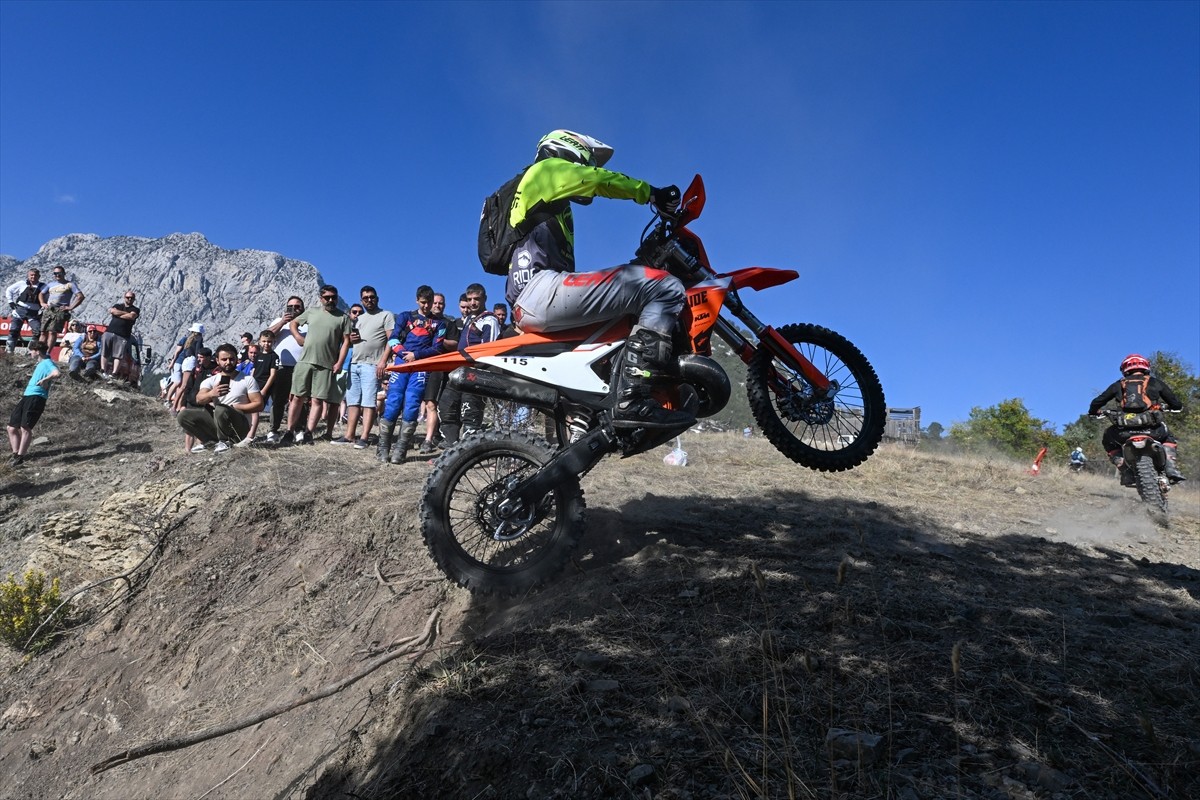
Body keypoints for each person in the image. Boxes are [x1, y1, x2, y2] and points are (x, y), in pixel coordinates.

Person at [504, 129, 693, 429]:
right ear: (567, 150)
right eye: (588, 159)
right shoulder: (545, 170)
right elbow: (599, 181)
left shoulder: (542, 196)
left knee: (622, 313)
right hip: (541, 290)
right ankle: (632, 397)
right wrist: (652, 193)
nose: (592, 166)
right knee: (665, 286)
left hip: (533, 297)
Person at [1088, 353, 1186, 484]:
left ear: (1124, 369)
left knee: (1108, 438)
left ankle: (1124, 469)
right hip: (1153, 430)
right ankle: (1171, 467)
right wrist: (1170, 407)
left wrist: (1095, 412)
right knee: (1168, 437)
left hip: (1123, 433)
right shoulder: (1155, 382)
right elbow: (1176, 404)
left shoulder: (1118, 384)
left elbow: (1097, 402)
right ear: (1145, 366)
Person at [377, 285, 445, 463]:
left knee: (412, 404)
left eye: (429, 302)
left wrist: (417, 355)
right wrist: (402, 353)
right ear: (417, 300)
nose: (426, 306)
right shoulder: (405, 316)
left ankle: (401, 450)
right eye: (423, 302)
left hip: (421, 365)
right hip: (401, 363)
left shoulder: (440, 324)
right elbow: (393, 338)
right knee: (393, 401)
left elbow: (437, 349)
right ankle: (382, 448)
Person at [281, 286, 351, 445]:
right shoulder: (312, 312)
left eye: (334, 297)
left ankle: (308, 433)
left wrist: (339, 362)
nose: (331, 300)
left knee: (317, 400)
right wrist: (298, 337)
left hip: (326, 364)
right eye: (327, 297)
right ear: (321, 298)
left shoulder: (343, 318)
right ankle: (289, 431)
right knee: (297, 397)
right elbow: (293, 323)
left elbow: (346, 342)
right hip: (305, 361)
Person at [437, 283, 500, 448]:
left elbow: (489, 350)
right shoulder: (470, 318)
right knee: (446, 406)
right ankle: (450, 448)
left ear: (484, 299)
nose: (473, 303)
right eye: (470, 299)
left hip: (476, 372)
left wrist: (478, 371)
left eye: (477, 299)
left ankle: (468, 452)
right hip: (459, 371)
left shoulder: (490, 320)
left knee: (470, 412)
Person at [176, 343, 265, 454]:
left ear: (236, 360)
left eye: (231, 359)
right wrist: (212, 394)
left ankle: (225, 441)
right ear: (217, 361)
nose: (228, 362)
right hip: (218, 422)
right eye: (224, 359)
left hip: (239, 426)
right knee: (183, 415)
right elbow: (199, 399)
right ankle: (210, 441)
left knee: (221, 409)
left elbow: (259, 404)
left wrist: (236, 407)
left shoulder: (247, 380)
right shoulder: (210, 381)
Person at [340, 286, 395, 448]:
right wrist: (351, 338)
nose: (369, 300)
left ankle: (364, 437)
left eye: (372, 297)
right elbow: (350, 341)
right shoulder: (359, 319)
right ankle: (349, 435)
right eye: (365, 298)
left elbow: (391, 341)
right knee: (352, 401)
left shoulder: (386, 315)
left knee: (369, 402)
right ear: (361, 300)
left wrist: (383, 362)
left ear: (377, 298)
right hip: (355, 363)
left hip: (372, 364)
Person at [7, 342, 60, 466]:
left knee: (25, 427)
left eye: (31, 350)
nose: (30, 353)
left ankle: (20, 457)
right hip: (27, 396)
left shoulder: (48, 362)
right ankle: (15, 454)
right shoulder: (41, 363)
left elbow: (57, 373)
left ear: (37, 351)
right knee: (11, 427)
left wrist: (45, 380)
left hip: (37, 397)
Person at [264, 297, 305, 443]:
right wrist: (283, 322)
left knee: (298, 399)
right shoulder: (278, 322)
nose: (294, 309)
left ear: (303, 308)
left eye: (297, 306)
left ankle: (298, 429)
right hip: (280, 366)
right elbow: (265, 337)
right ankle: (273, 430)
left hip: (301, 367)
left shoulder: (308, 325)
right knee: (278, 400)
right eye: (290, 306)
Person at [241, 330, 280, 445]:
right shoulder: (258, 355)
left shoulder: (274, 356)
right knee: (248, 409)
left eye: (269, 342)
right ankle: (245, 433)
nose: (266, 344)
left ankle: (251, 435)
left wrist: (264, 390)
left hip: (264, 386)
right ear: (260, 341)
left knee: (255, 410)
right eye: (264, 341)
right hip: (254, 385)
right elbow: (254, 370)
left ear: (273, 342)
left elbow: (273, 375)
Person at [38, 265, 85, 351]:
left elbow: (80, 296)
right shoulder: (50, 284)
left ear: (63, 273)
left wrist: (70, 307)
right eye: (55, 273)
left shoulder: (70, 284)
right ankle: (40, 352)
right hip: (48, 309)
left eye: (59, 273)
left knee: (52, 332)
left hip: (60, 310)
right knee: (43, 332)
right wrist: (42, 303)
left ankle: (47, 353)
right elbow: (41, 293)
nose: (57, 275)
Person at [101, 290, 140, 380]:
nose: (129, 299)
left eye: (131, 298)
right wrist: (125, 314)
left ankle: (114, 374)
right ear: (124, 297)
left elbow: (131, 316)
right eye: (128, 297)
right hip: (109, 332)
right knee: (104, 352)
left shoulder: (135, 309)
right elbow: (112, 311)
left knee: (118, 355)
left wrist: (118, 314)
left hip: (123, 335)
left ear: (134, 299)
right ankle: (103, 370)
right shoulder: (118, 305)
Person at [5, 268, 45, 353]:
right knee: (14, 331)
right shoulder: (21, 283)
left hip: (34, 313)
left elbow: (47, 298)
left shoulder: (43, 286)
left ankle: (30, 351)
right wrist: (10, 301)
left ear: (39, 276)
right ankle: (9, 351)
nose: (33, 277)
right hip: (20, 311)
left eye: (35, 275)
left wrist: (43, 308)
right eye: (32, 275)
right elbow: (9, 290)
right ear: (28, 275)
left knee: (38, 331)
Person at [166, 323, 205, 408]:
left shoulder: (188, 340)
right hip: (189, 361)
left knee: (181, 385)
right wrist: (198, 363)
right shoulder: (198, 340)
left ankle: (177, 406)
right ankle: (174, 406)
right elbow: (197, 351)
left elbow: (179, 351)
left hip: (184, 361)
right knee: (183, 386)